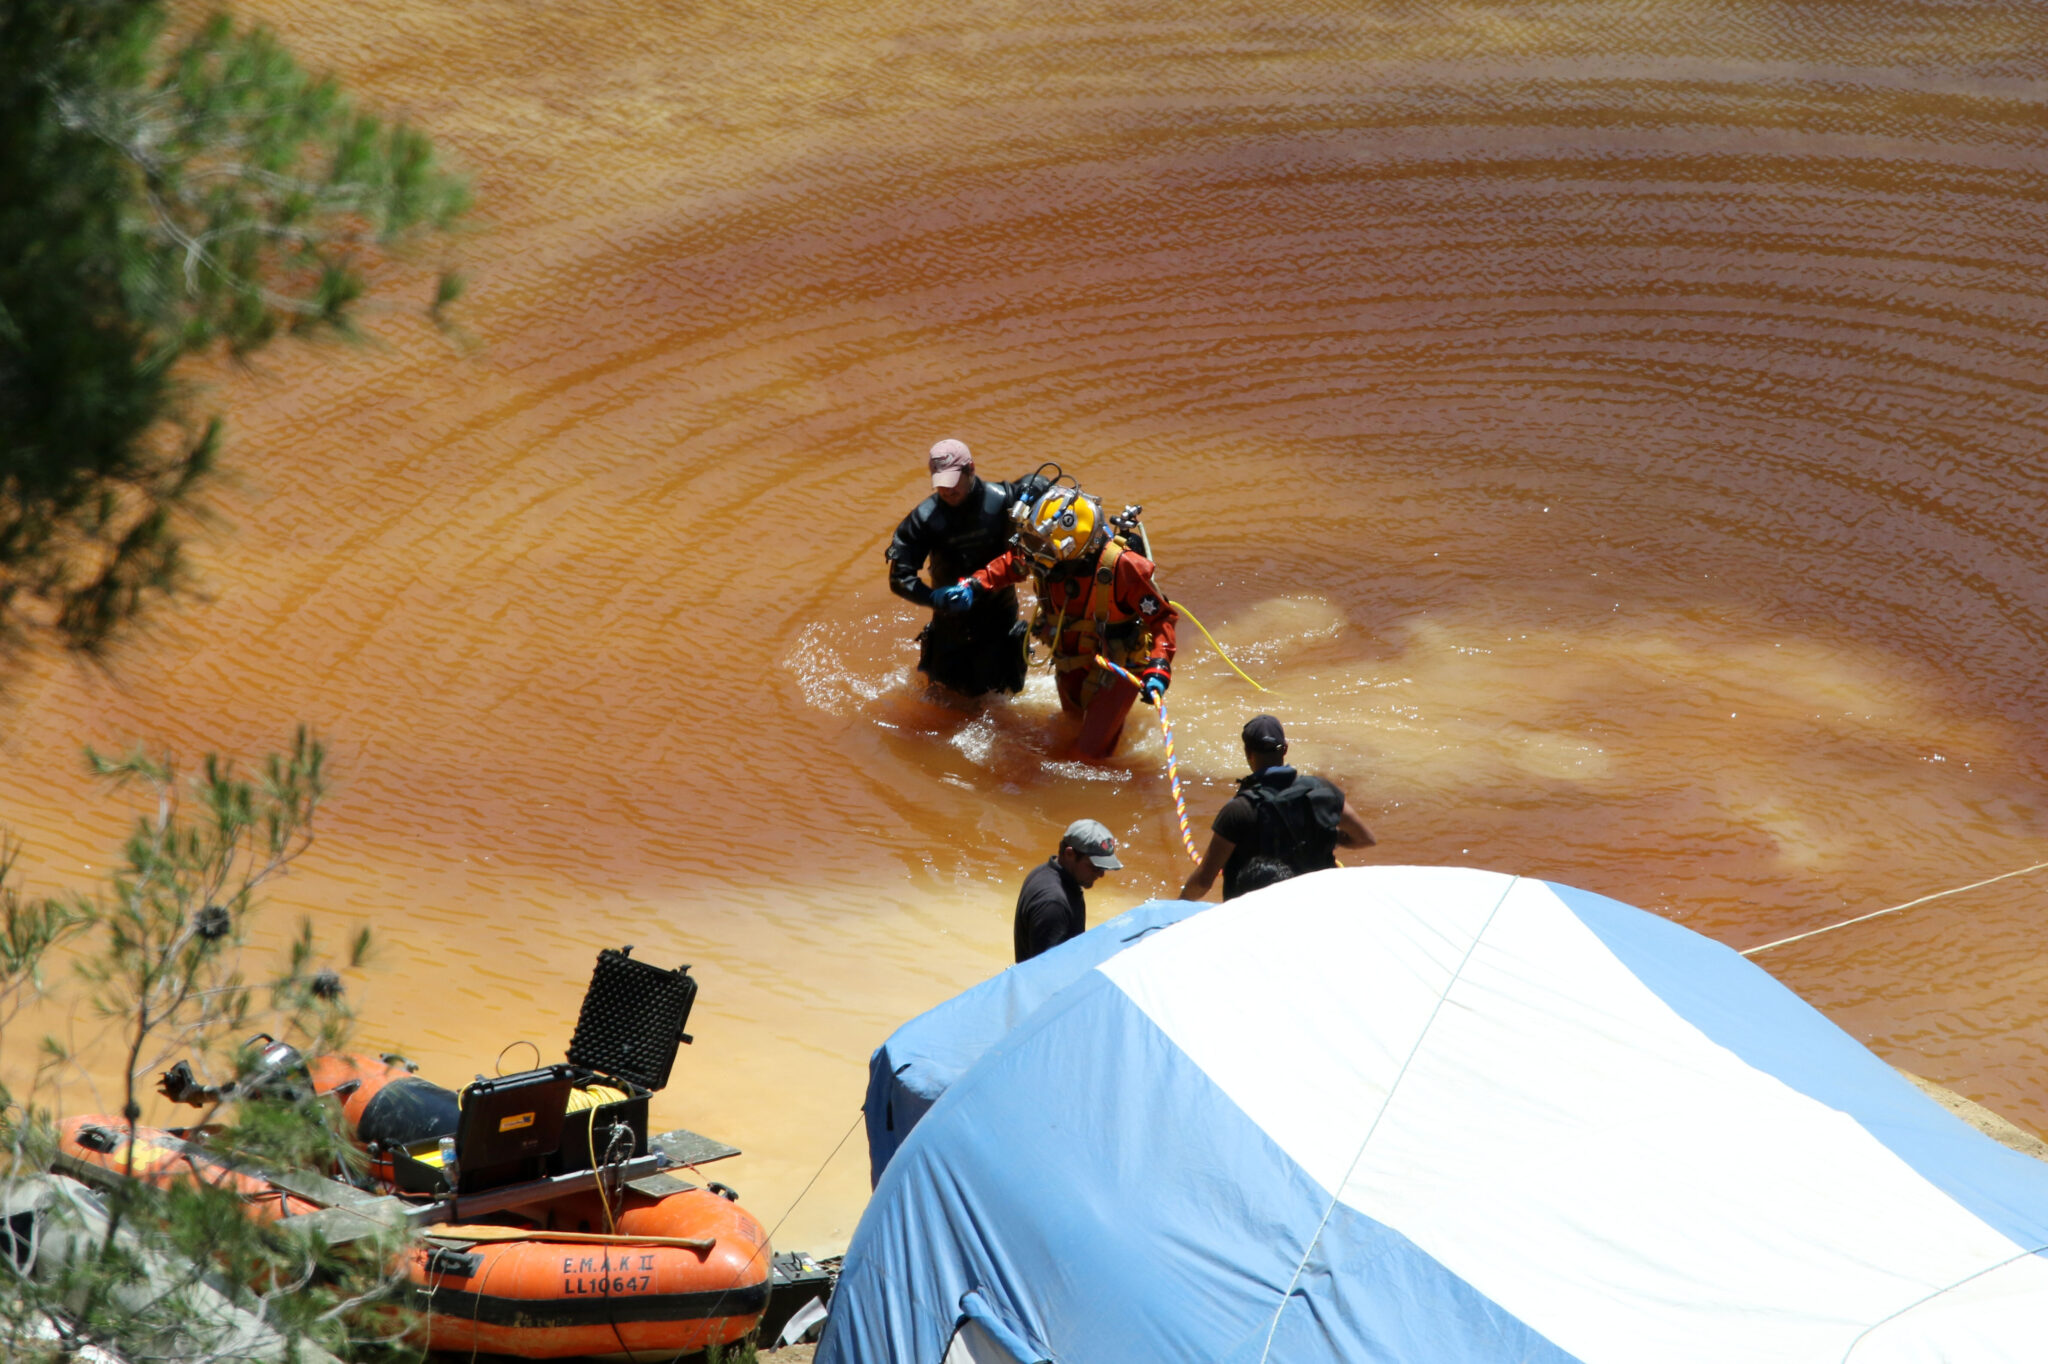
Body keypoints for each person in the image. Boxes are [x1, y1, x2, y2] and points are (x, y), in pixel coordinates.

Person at [935, 483, 1176, 760]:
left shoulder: (1123, 568)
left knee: (1086, 755)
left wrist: (1159, 666)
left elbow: (1162, 618)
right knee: (1072, 724)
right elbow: (1008, 565)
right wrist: (972, 585)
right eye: (1033, 543)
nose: (1033, 555)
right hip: (1070, 657)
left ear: (1073, 550)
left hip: (1118, 664)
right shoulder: (1043, 554)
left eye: (1044, 548)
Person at [884, 439, 1049, 697]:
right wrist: (933, 598)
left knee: (1002, 705)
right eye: (940, 483)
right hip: (950, 627)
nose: (947, 490)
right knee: (942, 706)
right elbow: (899, 577)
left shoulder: (1005, 500)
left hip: (1000, 622)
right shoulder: (924, 519)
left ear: (970, 468)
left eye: (953, 481)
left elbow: (1042, 486)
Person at [1179, 715, 1374, 900]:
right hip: (1315, 903)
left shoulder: (1239, 810)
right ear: (1285, 749)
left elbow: (1204, 881)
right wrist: (1331, 838)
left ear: (1248, 754)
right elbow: (1365, 839)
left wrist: (1179, 903)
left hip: (1257, 913)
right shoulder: (1323, 791)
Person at [1014, 819, 1123, 962]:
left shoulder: (1043, 871)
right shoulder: (1054, 904)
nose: (1101, 874)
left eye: (1104, 868)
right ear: (1070, 854)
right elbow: (1045, 970)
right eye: (1095, 867)